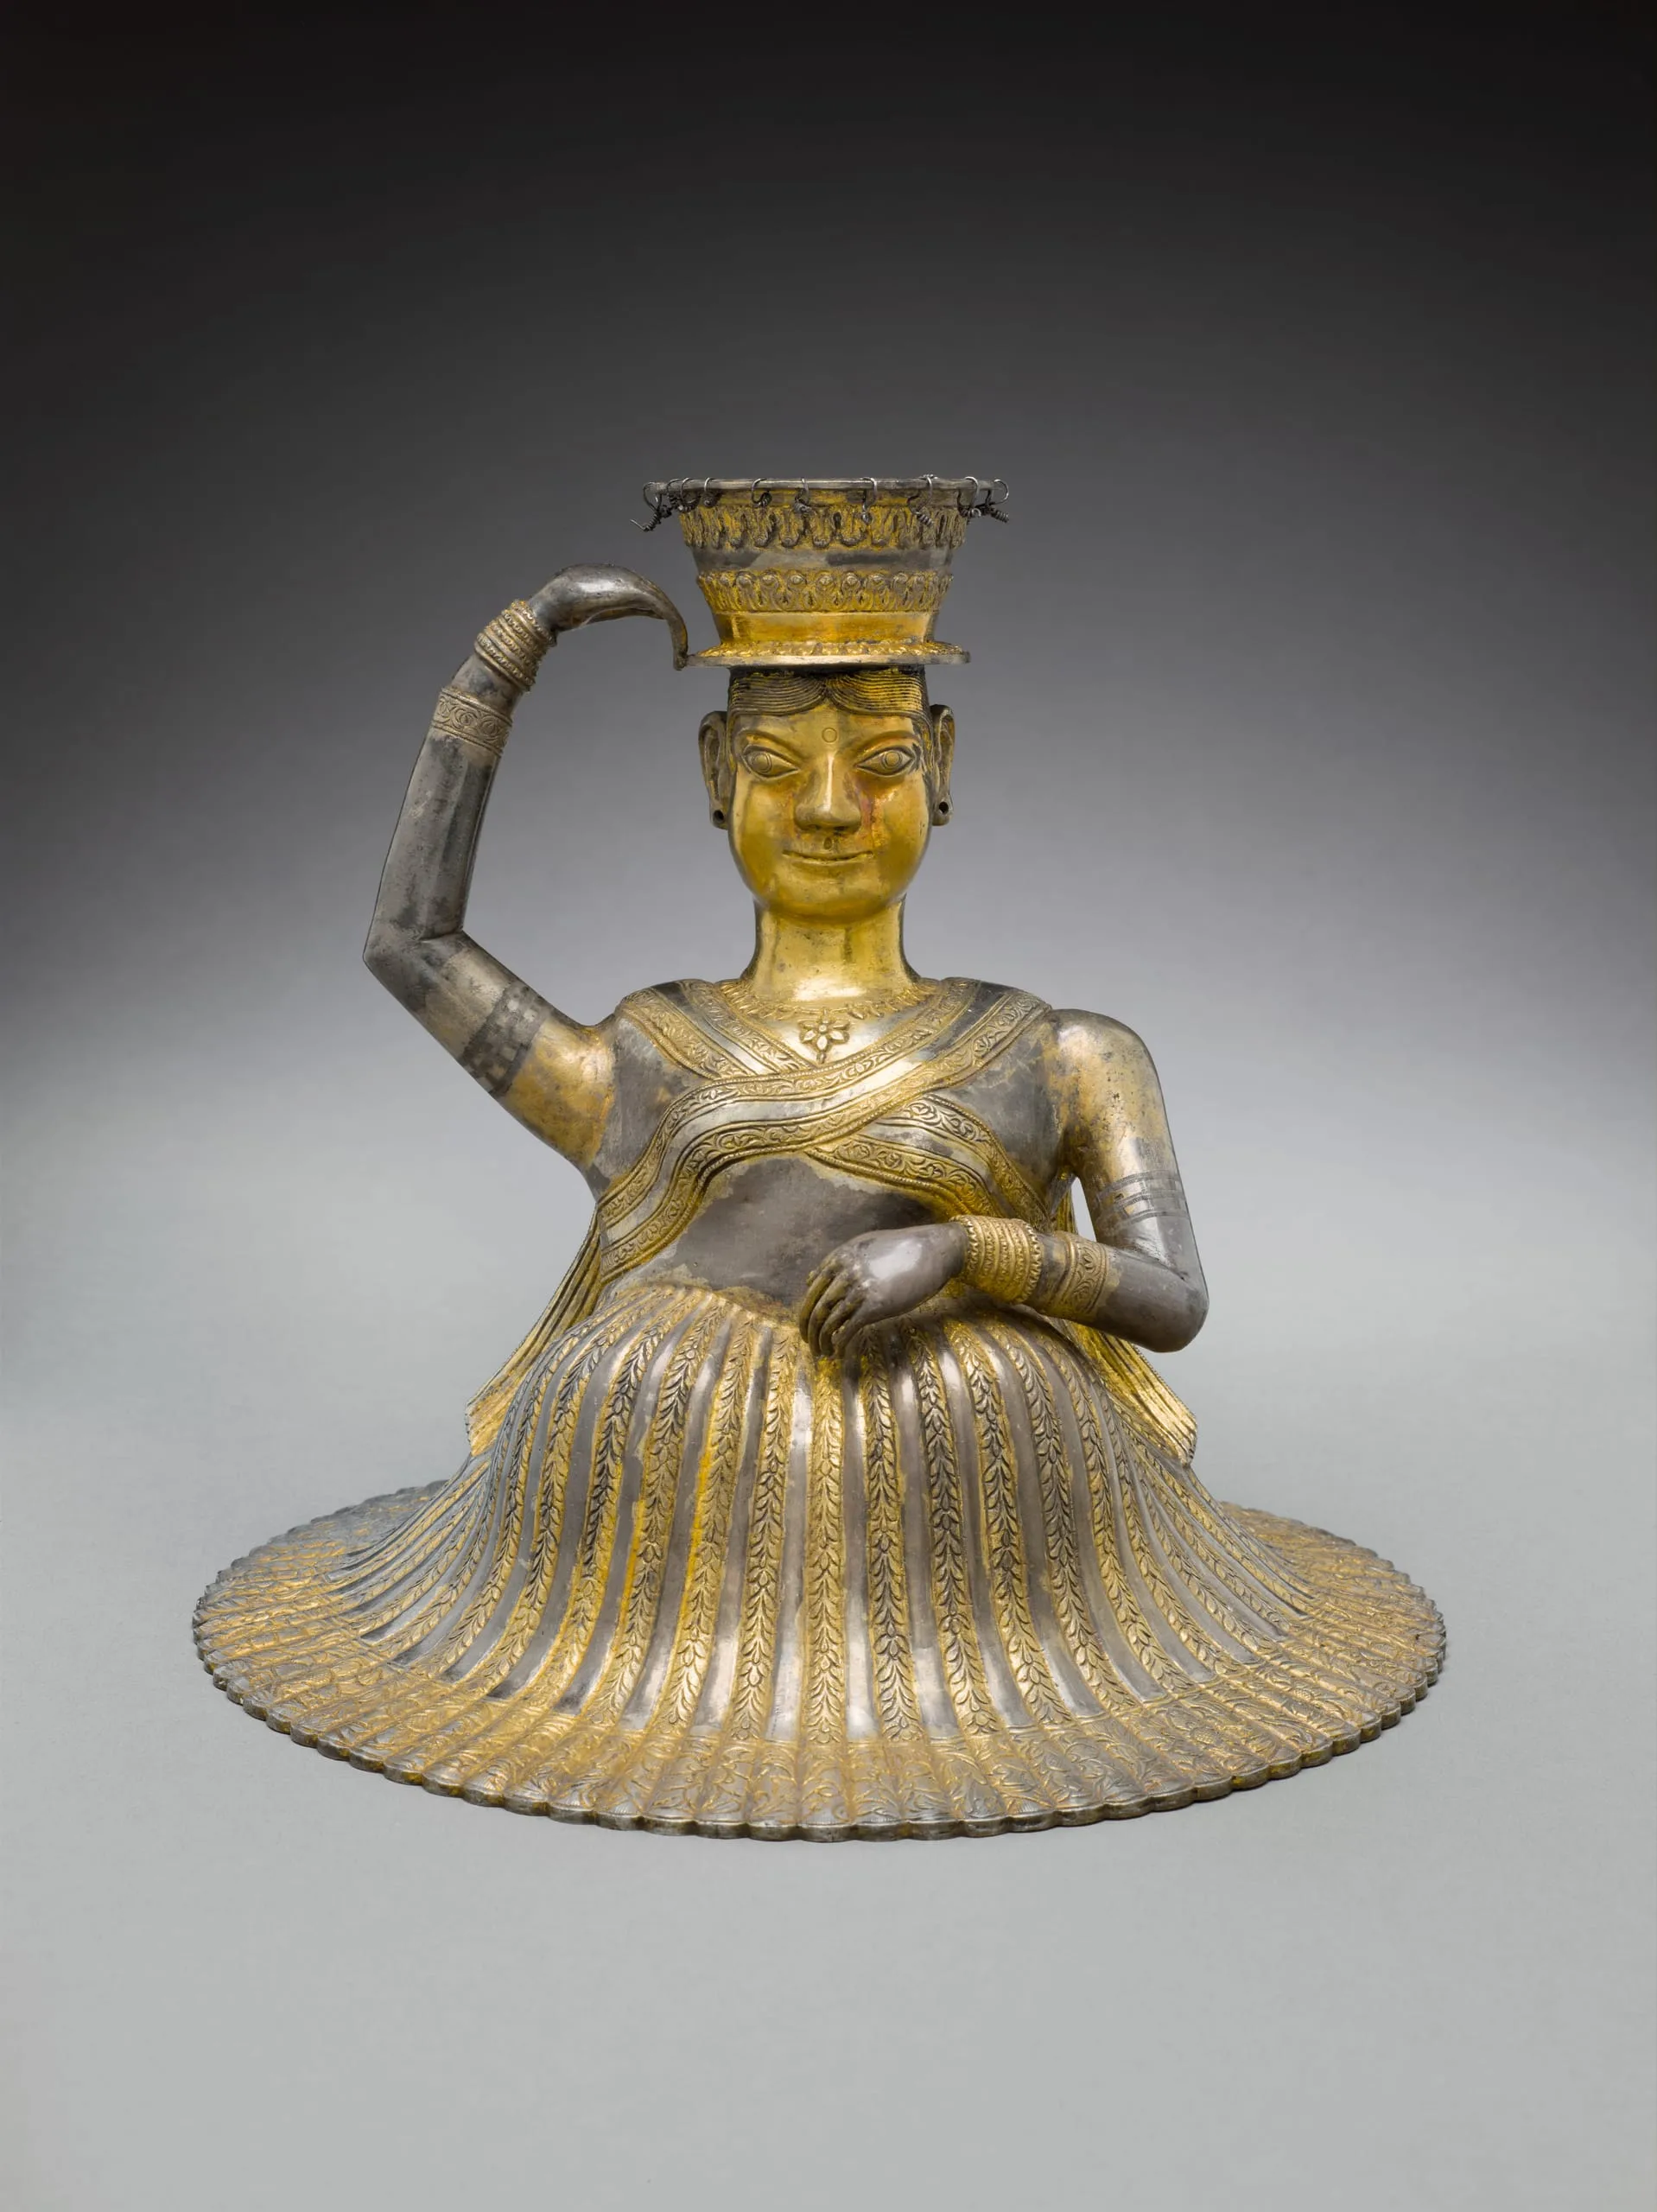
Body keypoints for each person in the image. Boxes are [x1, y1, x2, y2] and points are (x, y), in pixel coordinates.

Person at [196, 480, 1440, 1837]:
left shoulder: (1062, 1052)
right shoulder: (648, 1053)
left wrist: (969, 1250)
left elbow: (1171, 1301)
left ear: (944, 767)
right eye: (778, 768)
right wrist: (498, 671)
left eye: (884, 762)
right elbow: (409, 945)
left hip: (1005, 1549)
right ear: (715, 777)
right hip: (638, 1562)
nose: (833, 809)